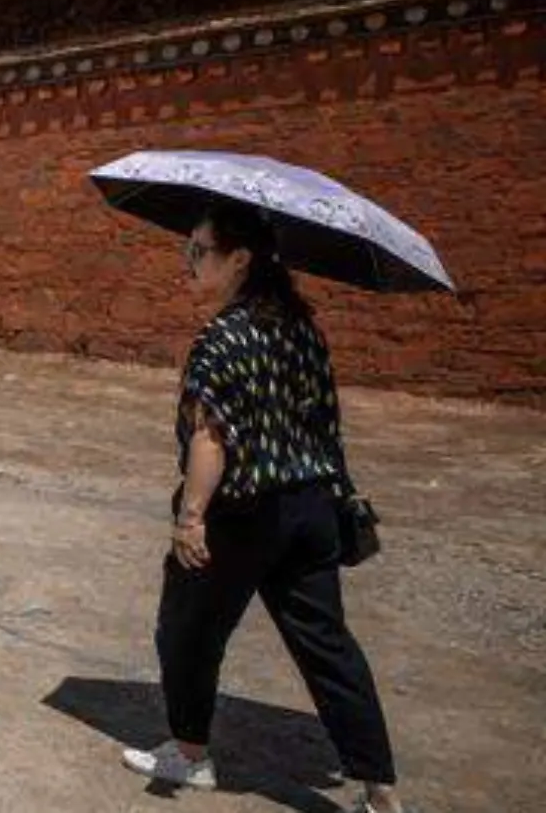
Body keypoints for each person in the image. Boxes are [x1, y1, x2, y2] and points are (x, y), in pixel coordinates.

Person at [121, 201, 408, 813]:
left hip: (239, 514)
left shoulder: (222, 338)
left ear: (240, 260)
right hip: (309, 509)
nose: (189, 262)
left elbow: (211, 436)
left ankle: (190, 756)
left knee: (189, 632)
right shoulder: (304, 329)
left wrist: (192, 516)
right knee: (327, 645)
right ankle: (377, 787)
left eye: (199, 251)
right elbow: (323, 424)